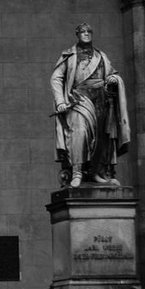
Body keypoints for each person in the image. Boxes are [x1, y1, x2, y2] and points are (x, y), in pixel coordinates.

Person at [49, 22, 131, 188]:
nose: (86, 34)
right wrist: (60, 102)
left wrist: (114, 80)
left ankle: (96, 172)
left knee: (101, 137)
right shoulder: (69, 55)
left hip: (100, 100)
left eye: (89, 31)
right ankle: (77, 171)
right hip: (78, 99)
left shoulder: (101, 56)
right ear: (77, 34)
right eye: (82, 31)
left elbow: (111, 74)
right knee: (79, 132)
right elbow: (56, 78)